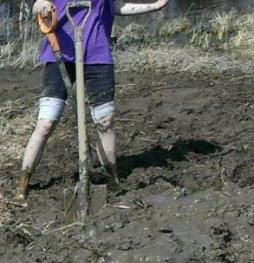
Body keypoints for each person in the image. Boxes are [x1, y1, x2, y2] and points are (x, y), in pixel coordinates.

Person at [16, 0, 170, 201]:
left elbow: (115, 6)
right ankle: (22, 182)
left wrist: (154, 6)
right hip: (60, 54)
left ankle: (112, 179)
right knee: (46, 124)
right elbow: (36, 6)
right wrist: (42, 6)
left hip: (98, 56)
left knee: (105, 122)